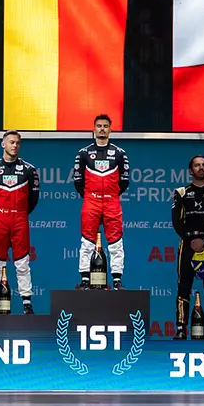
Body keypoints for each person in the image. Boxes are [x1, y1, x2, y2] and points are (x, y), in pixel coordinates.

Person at [0, 131, 40, 315]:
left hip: (20, 219)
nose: (15, 146)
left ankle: (27, 303)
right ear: (3, 144)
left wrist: (19, 214)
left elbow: (33, 199)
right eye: (11, 142)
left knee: (22, 262)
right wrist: (1, 214)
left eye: (17, 143)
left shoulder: (29, 170)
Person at [73, 114, 131, 289]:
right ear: (93, 129)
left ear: (110, 130)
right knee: (87, 241)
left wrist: (111, 195)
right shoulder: (83, 153)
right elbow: (78, 181)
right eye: (99, 126)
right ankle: (84, 279)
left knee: (116, 242)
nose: (102, 129)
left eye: (105, 126)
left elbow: (124, 181)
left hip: (112, 201)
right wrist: (92, 195)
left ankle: (117, 279)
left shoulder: (120, 153)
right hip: (91, 200)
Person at [172, 154, 204, 339]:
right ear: (190, 170)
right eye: (197, 165)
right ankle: (180, 328)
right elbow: (177, 222)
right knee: (183, 286)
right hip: (187, 244)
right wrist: (192, 240)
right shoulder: (181, 193)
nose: (201, 168)